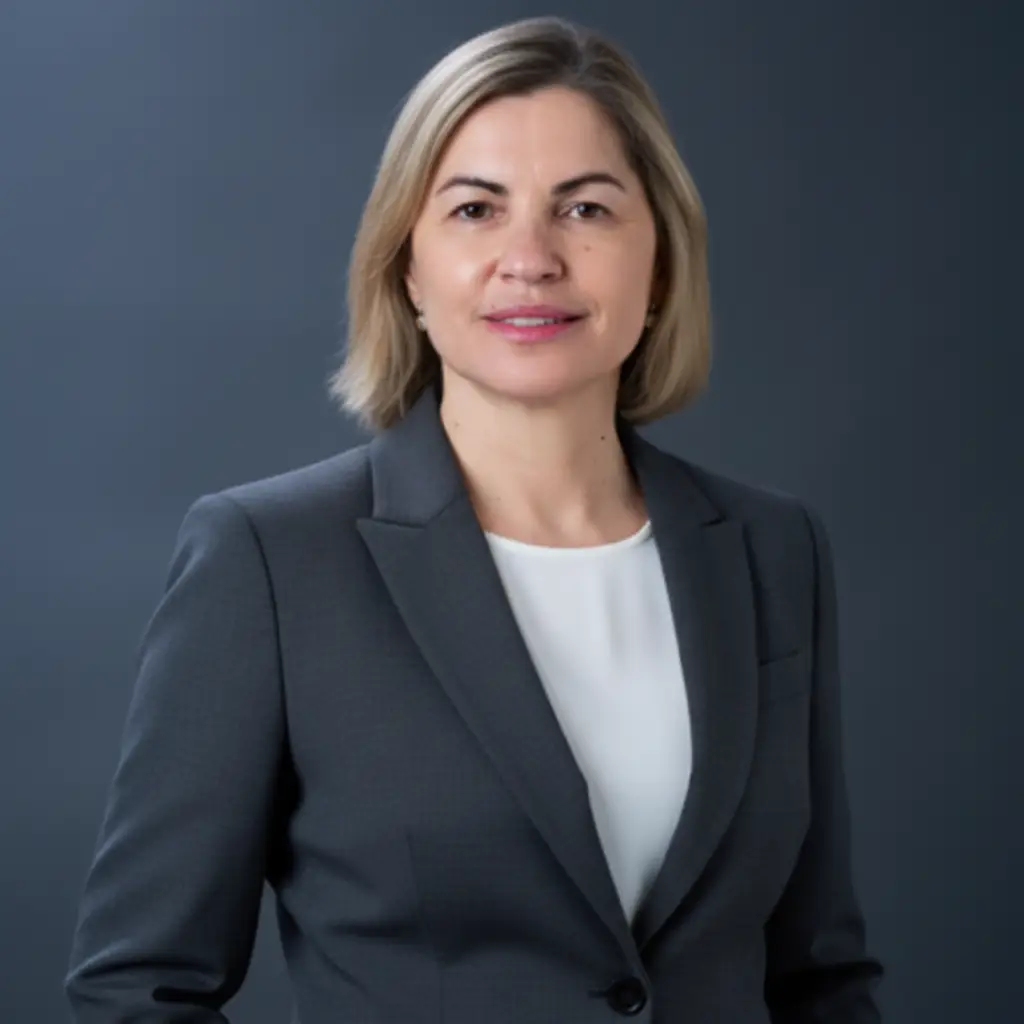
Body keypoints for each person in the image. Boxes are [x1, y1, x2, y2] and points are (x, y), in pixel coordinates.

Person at [65, 15, 884, 1023]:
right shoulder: (270, 560)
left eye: (584, 208)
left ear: (661, 263)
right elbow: (139, 990)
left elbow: (820, 979)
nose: (529, 257)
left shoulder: (772, 549)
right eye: (474, 210)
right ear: (407, 267)